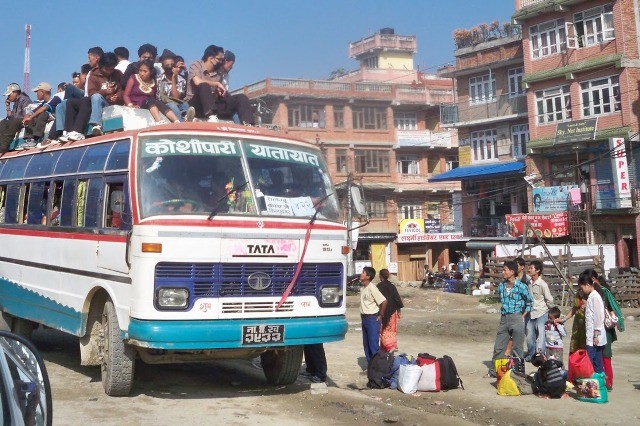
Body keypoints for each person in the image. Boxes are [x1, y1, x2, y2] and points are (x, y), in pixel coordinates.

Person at [62, 52, 123, 141]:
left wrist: (117, 96)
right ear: (101, 66)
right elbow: (91, 93)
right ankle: (68, 132)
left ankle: (96, 125)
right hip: (97, 101)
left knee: (92, 98)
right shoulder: (93, 75)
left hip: (112, 103)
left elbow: (122, 90)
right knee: (70, 102)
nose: (109, 71)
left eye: (111, 69)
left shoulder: (118, 74)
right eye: (107, 69)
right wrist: (106, 92)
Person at [488, 260, 533, 377]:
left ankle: (519, 373)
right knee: (498, 347)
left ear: (512, 272)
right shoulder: (501, 286)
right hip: (504, 319)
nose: (503, 272)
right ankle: (494, 371)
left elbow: (530, 302)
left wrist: (522, 316)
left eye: (505, 270)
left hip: (517, 318)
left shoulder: (522, 286)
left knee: (517, 348)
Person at [123, 59, 180, 124]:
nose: (142, 73)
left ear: (151, 72)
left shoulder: (153, 82)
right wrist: (130, 105)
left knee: (157, 101)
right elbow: (125, 95)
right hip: (136, 106)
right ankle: (159, 121)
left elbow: (154, 97)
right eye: (140, 70)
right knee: (151, 100)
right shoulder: (133, 78)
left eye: (145, 71)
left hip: (148, 105)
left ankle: (176, 120)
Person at [577, 270, 606, 374]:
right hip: (592, 334)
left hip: (594, 335)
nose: (582, 290)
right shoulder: (592, 297)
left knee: (590, 360)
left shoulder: (595, 297)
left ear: (588, 285)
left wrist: (596, 334)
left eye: (582, 287)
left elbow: (599, 316)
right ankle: (598, 381)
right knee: (597, 361)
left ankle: (593, 381)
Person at [524, 260, 554, 361]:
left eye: (531, 268)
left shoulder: (542, 284)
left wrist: (550, 312)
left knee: (541, 336)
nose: (529, 269)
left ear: (537, 270)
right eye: (529, 267)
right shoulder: (529, 283)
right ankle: (531, 355)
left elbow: (549, 299)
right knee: (529, 335)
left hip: (541, 313)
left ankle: (540, 356)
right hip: (530, 313)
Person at [18, 82, 59, 149]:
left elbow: (43, 109)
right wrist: (26, 118)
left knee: (42, 114)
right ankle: (28, 140)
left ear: (42, 92)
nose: (36, 94)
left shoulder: (55, 99)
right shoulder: (43, 103)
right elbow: (31, 113)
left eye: (37, 92)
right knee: (33, 116)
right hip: (45, 119)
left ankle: (35, 139)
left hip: (54, 121)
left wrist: (30, 117)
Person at [359, 266, 387, 363]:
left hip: (372, 318)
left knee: (373, 345)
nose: (361, 274)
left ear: (368, 276)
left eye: (363, 272)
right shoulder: (363, 288)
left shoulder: (372, 288)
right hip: (364, 318)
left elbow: (384, 301)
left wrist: (380, 315)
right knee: (366, 344)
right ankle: (370, 367)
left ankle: (378, 368)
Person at [155, 49, 192, 121]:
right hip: (164, 105)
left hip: (178, 103)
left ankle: (187, 120)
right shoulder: (158, 80)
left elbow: (176, 97)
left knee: (186, 105)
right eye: (167, 65)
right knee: (172, 105)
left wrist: (173, 79)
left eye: (171, 65)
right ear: (162, 67)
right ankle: (182, 123)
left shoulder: (181, 80)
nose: (169, 67)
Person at [377, 269, 403, 352]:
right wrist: (398, 310)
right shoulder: (392, 286)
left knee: (383, 330)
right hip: (392, 311)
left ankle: (388, 347)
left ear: (380, 276)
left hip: (381, 312)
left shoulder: (378, 286)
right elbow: (397, 298)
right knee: (391, 330)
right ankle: (390, 346)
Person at [1, 83, 32, 154]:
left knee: (15, 121)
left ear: (15, 92)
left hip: (24, 121)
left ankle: (4, 147)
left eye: (9, 95)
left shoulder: (25, 100)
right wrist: (8, 107)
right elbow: (11, 117)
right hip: (16, 122)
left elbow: (26, 115)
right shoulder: (15, 103)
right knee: (3, 122)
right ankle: (1, 143)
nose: (8, 97)